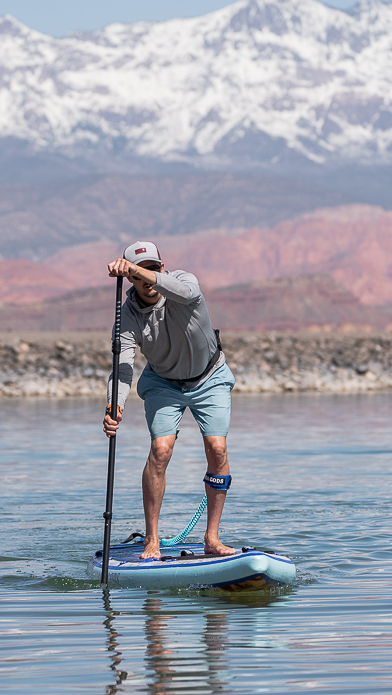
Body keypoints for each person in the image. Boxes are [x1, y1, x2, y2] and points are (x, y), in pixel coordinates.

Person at [103, 240, 236, 560]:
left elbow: (188, 294)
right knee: (160, 451)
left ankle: (212, 539)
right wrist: (114, 406)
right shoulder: (128, 317)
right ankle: (152, 540)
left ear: (162, 268)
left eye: (152, 270)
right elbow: (121, 368)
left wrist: (134, 269)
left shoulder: (185, 282)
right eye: (139, 275)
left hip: (210, 376)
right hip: (163, 383)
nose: (147, 280)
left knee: (217, 448)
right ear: (131, 283)